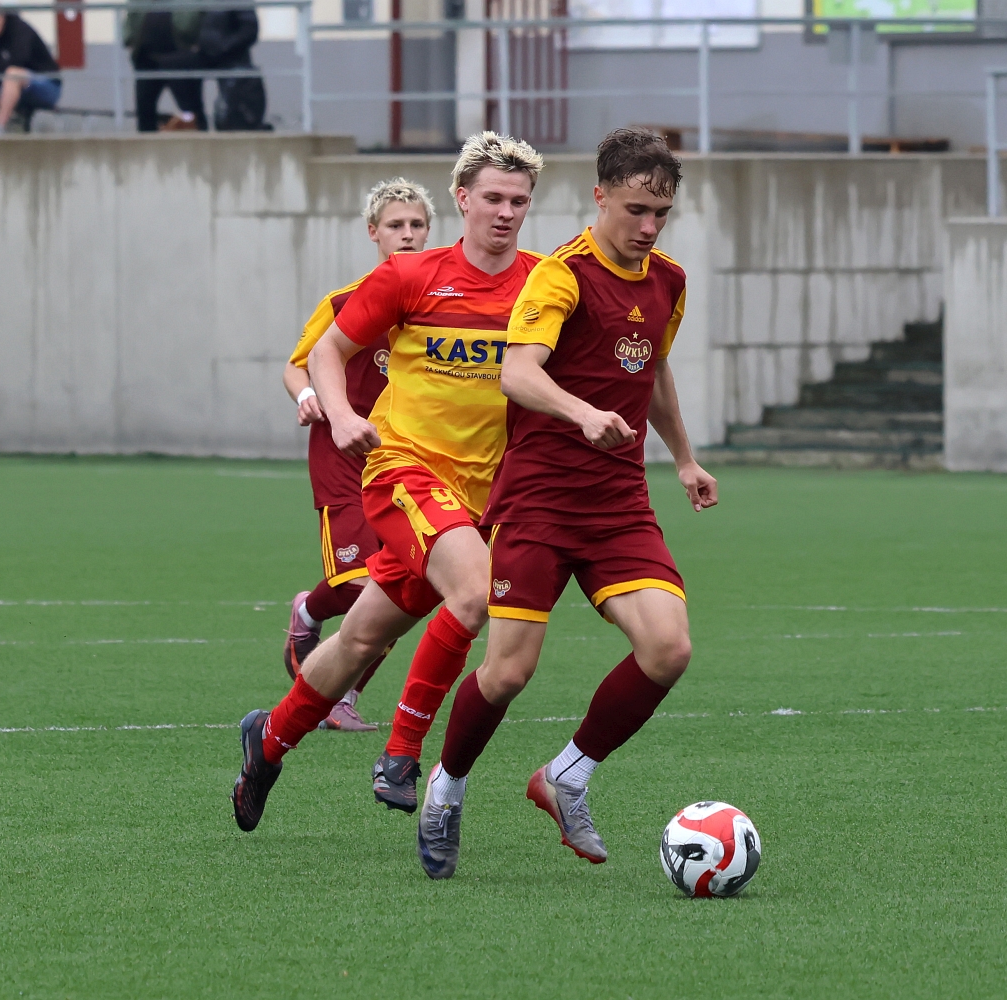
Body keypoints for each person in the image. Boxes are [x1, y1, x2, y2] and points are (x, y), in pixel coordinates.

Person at [415, 127, 718, 879]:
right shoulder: (560, 276)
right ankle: (445, 789)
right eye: (635, 210)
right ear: (600, 197)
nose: (648, 227)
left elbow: (652, 369)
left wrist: (683, 458)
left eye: (661, 213)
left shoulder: (669, 280)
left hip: (618, 503)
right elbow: (517, 374)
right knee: (508, 672)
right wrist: (581, 413)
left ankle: (566, 776)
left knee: (668, 648)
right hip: (540, 501)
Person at [231, 132, 545, 832]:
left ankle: (268, 741)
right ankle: (401, 755)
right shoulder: (410, 276)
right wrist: (342, 416)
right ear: (462, 199)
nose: (505, 212)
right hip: (403, 471)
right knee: (473, 596)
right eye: (493, 198)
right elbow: (325, 352)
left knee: (360, 639)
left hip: (480, 496)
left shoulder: (542, 284)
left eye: (519, 201)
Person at [283, 177, 435, 732]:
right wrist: (307, 394)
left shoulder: (440, 305)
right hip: (343, 457)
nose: (407, 234)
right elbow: (297, 364)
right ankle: (309, 610)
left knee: (400, 590)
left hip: (407, 460)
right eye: (396, 225)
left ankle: (341, 698)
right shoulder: (345, 302)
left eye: (417, 224)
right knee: (359, 583)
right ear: (373, 232)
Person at [0, 2, 62, 136]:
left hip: (47, 84)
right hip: (16, 89)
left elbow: (18, 60)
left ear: (1, 17)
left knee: (12, 74)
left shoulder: (20, 30)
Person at [125, 0, 207, 132]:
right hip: (147, 59)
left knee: (190, 108)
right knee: (145, 108)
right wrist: (129, 40)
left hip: (180, 59)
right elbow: (131, 19)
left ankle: (201, 137)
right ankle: (146, 141)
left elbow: (199, 19)